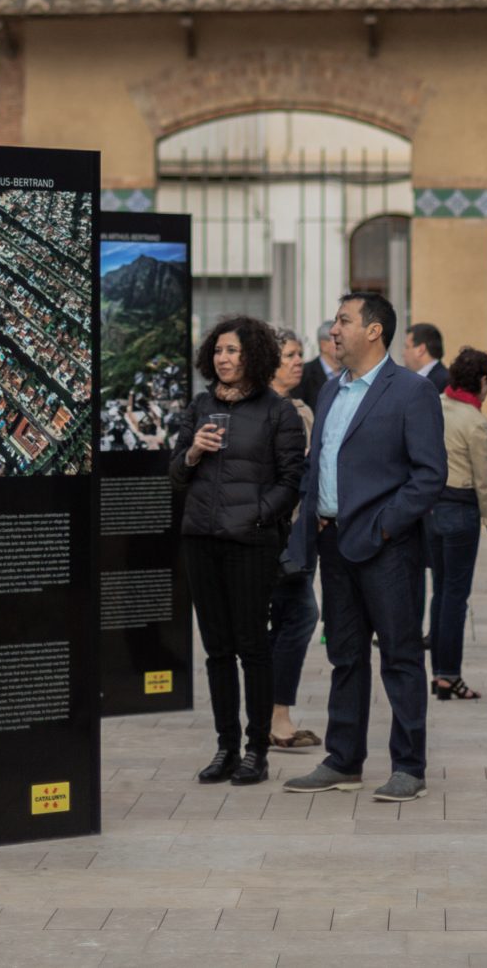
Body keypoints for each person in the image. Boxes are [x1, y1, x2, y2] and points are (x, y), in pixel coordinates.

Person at [282, 291, 447, 802]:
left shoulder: (410, 392)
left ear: (375, 330)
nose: (334, 329)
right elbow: (320, 466)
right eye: (336, 321)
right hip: (334, 546)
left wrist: (383, 527)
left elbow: (429, 475)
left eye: (344, 320)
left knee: (399, 657)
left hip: (386, 549)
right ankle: (343, 760)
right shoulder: (331, 391)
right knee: (346, 658)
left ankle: (409, 766)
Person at [173, 316, 307, 785]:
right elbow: (175, 472)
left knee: (253, 648)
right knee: (216, 651)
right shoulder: (200, 406)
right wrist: (193, 451)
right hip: (201, 541)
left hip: (250, 543)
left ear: (252, 356)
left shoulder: (278, 411)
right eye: (218, 352)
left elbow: (293, 480)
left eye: (232, 351)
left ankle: (257, 749)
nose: (223, 360)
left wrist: (257, 513)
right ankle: (225, 747)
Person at [424, 347, 487, 701]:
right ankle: (450, 676)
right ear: (481, 381)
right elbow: (484, 481)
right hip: (460, 513)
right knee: (456, 598)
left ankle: (438, 675)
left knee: (440, 590)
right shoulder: (476, 422)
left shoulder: (435, 407)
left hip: (431, 510)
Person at [266, 327, 323, 754]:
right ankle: (276, 716)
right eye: (289, 355)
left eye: (300, 354)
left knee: (288, 619)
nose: (298, 361)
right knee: (300, 615)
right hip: (279, 534)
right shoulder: (270, 412)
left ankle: (270, 713)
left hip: (301, 532)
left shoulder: (300, 407)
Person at [300, 319, 340, 410]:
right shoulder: (304, 374)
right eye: (337, 340)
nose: (344, 343)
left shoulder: (352, 372)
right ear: (323, 345)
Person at [403, 322, 449, 399]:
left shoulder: (444, 382)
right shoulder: (416, 380)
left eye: (407, 347)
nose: (403, 353)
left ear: (421, 350)